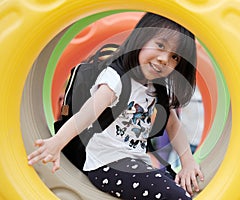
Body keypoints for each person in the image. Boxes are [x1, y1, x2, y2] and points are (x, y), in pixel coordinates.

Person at [28, 12, 204, 200]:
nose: (164, 59)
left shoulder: (156, 88)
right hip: (107, 165)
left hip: (137, 164)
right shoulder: (116, 78)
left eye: (175, 57)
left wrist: (188, 162)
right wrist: (57, 142)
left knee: (187, 189)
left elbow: (173, 125)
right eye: (160, 46)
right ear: (141, 39)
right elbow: (87, 113)